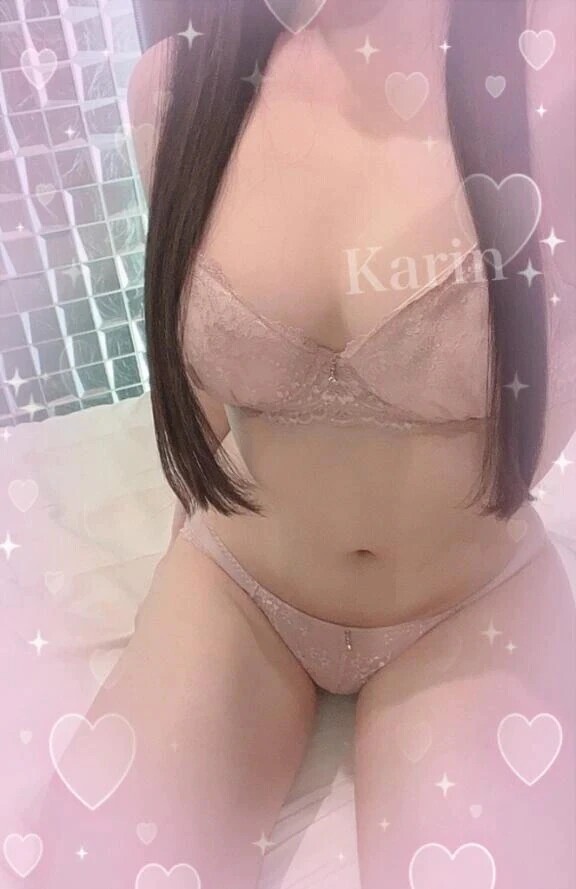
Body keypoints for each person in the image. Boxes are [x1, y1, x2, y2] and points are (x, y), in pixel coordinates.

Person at [23, 1, 576, 887]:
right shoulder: (176, 89)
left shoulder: (546, 65)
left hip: (470, 600)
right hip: (242, 587)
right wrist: (175, 574)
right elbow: (199, 377)